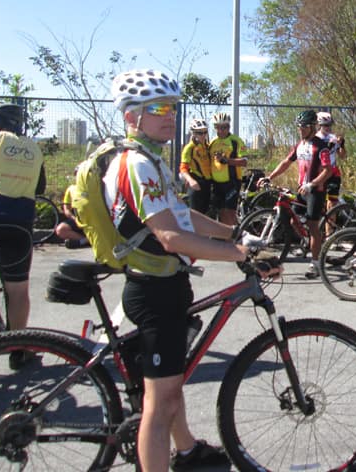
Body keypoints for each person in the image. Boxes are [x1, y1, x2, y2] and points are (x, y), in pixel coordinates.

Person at [109, 69, 279, 472]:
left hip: (167, 284)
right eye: (158, 109)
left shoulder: (153, 160)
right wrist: (238, 253)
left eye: (172, 107)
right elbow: (171, 236)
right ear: (131, 116)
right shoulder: (138, 164)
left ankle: (186, 451)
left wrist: (233, 233)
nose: (170, 115)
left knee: (171, 385)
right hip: (153, 291)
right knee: (159, 403)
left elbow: (182, 216)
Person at [0, 102, 45, 345]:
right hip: (21, 219)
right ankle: (18, 350)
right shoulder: (34, 148)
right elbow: (40, 187)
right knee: (18, 290)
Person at [260, 110, 332, 279]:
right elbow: (286, 162)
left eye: (304, 126)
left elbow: (328, 170)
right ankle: (308, 242)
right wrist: (270, 177)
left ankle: (316, 264)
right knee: (293, 220)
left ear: (313, 127)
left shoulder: (320, 146)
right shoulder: (300, 145)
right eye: (299, 126)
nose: (301, 129)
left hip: (315, 191)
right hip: (302, 189)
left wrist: (312, 184)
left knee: (313, 226)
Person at [208, 112, 248, 225]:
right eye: (218, 127)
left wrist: (227, 161)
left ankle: (236, 234)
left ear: (229, 127)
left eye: (224, 127)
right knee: (220, 212)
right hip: (216, 183)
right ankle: (226, 234)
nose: (221, 130)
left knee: (229, 213)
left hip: (232, 182)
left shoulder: (236, 141)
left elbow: (244, 162)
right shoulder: (213, 142)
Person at [179, 118, 212, 214]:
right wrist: (191, 180)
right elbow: (183, 168)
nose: (203, 135)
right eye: (200, 133)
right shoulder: (189, 148)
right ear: (193, 133)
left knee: (206, 213)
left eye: (205, 132)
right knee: (195, 214)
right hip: (196, 183)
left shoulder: (207, 147)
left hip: (207, 183)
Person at [315, 111, 346, 211]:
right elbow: (316, 157)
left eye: (329, 125)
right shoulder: (316, 139)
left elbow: (342, 156)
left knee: (332, 203)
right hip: (321, 172)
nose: (328, 127)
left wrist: (342, 145)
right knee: (319, 203)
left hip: (333, 172)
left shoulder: (333, 137)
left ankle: (331, 221)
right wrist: (328, 147)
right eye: (325, 125)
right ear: (319, 125)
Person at [55, 167, 89, 248]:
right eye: (76, 174)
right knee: (61, 230)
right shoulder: (71, 189)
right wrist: (75, 219)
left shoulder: (93, 187)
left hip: (91, 219)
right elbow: (67, 209)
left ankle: (82, 242)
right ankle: (86, 241)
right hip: (77, 219)